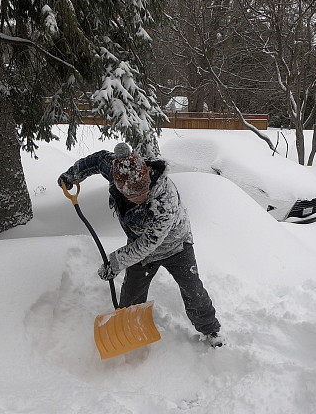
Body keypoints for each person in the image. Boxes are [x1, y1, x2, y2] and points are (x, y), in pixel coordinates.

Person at [58, 142, 224, 347]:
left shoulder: (165, 199)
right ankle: (128, 331)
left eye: (144, 190)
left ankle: (211, 330)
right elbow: (96, 159)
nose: (141, 197)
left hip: (176, 247)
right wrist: (71, 175)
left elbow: (149, 243)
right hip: (139, 247)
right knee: (131, 294)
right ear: (120, 187)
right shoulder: (117, 170)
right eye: (133, 195)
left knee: (192, 289)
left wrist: (116, 262)